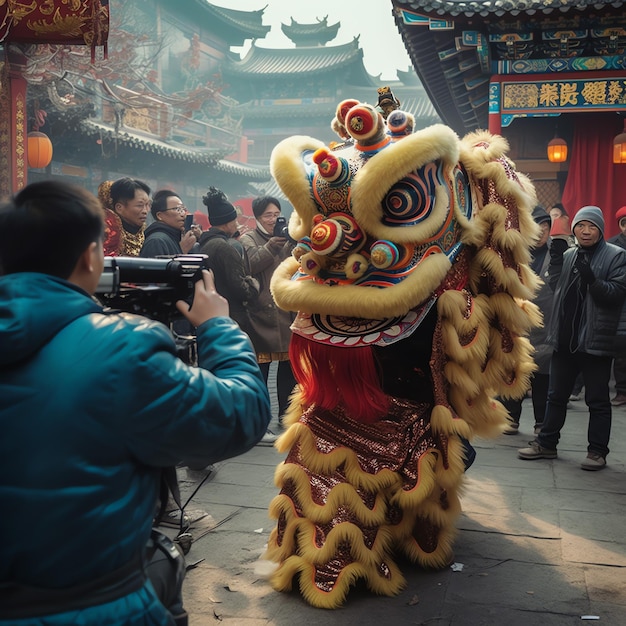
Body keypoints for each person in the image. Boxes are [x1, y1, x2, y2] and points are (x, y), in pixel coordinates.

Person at [0, 181, 272, 625]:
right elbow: (239, 417)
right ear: (92, 257)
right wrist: (218, 329)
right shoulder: (120, 349)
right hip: (99, 604)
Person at [519, 205, 626, 470]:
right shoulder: (569, 254)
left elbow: (616, 294)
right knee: (556, 396)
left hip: (594, 340)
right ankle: (546, 444)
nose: (585, 231)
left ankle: (597, 452)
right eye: (581, 226)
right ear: (574, 228)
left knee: (597, 400)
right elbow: (558, 288)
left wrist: (593, 281)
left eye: (591, 226)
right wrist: (556, 265)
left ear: (600, 229)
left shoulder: (616, 256)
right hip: (565, 339)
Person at [198, 186, 277, 446]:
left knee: (220, 375)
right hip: (235, 317)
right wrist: (254, 285)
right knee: (245, 374)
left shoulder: (205, 243)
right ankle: (254, 426)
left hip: (212, 316)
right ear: (229, 221)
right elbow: (241, 286)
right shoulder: (227, 247)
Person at [240, 196, 297, 427]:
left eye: (276, 214)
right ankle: (259, 421)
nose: (273, 219)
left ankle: (286, 417)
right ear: (257, 218)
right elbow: (249, 265)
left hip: (286, 311)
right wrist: (270, 247)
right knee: (260, 372)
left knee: (288, 370)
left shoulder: (287, 237)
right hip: (260, 314)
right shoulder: (248, 239)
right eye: (268, 215)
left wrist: (293, 243)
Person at [502, 205, 554, 435]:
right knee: (516, 371)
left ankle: (540, 422)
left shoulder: (558, 254)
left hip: (546, 323)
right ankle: (511, 417)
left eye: (546, 226)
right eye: (538, 226)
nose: (542, 231)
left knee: (542, 375)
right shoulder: (515, 254)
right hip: (518, 321)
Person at [140, 189, 197, 258]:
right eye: (177, 209)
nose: (183, 214)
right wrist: (182, 251)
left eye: (183, 209)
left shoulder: (176, 237)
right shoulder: (156, 241)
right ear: (159, 215)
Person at [102, 177, 151, 256]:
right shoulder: (107, 234)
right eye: (140, 205)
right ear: (119, 208)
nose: (145, 211)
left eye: (148, 205)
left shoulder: (144, 233)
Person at [608, 205, 626, 406]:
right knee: (621, 349)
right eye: (624, 223)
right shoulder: (611, 246)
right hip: (618, 301)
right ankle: (621, 390)